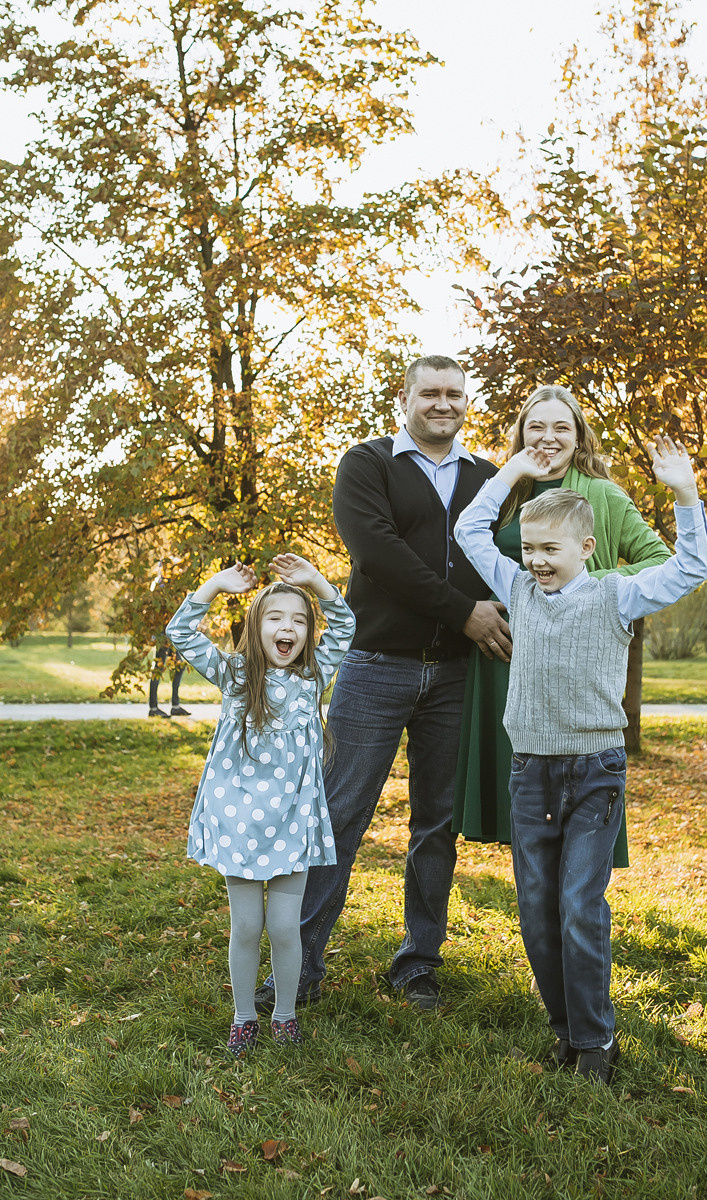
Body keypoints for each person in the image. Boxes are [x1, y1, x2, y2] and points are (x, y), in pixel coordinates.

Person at [255, 354, 511, 1014]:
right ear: (405, 397)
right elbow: (377, 553)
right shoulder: (367, 464)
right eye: (430, 391)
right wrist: (464, 611)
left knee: (437, 825)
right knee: (337, 817)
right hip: (376, 667)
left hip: (458, 674)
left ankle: (417, 963)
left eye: (455, 393)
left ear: (465, 402)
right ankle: (299, 968)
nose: (443, 403)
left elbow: (505, 554)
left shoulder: (487, 476)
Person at [455, 435, 707, 1082]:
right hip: (532, 774)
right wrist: (512, 468)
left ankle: (596, 1043)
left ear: (586, 550)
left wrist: (684, 494)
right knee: (537, 915)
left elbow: (689, 568)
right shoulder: (517, 587)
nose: (537, 561)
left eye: (551, 549)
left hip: (595, 772)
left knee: (579, 907)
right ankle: (567, 1030)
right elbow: (470, 529)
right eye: (531, 549)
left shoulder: (614, 594)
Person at [452, 385, 672, 866]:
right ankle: (538, 913)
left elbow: (659, 560)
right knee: (524, 802)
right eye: (536, 426)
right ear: (521, 433)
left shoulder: (601, 494)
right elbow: (474, 543)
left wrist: (589, 591)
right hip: (503, 656)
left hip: (573, 655)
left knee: (574, 807)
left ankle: (577, 905)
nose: (548, 438)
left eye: (561, 428)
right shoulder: (512, 491)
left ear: (579, 437)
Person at [166, 553, 355, 1055]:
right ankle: (244, 1017)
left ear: (307, 633)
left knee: (284, 927)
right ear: (255, 627)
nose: (286, 627)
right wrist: (214, 586)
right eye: (275, 618)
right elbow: (181, 633)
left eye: (297, 619)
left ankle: (286, 1015)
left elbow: (345, 624)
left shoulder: (314, 677)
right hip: (238, 822)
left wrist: (315, 581)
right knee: (247, 926)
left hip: (293, 820)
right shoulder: (235, 676)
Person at [149, 561, 189, 718]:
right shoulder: (158, 585)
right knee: (158, 669)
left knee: (179, 667)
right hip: (161, 634)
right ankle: (153, 708)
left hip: (172, 633)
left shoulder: (174, 585)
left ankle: (175, 705)